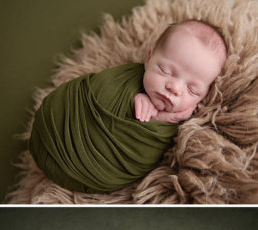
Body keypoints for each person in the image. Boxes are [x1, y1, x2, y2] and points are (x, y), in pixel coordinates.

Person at [29, 20, 227, 193]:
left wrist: (158, 120)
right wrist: (135, 100)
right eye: (165, 70)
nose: (174, 88)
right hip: (54, 123)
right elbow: (99, 89)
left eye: (193, 90)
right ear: (149, 58)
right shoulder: (123, 80)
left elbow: (151, 147)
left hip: (91, 174)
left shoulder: (191, 122)